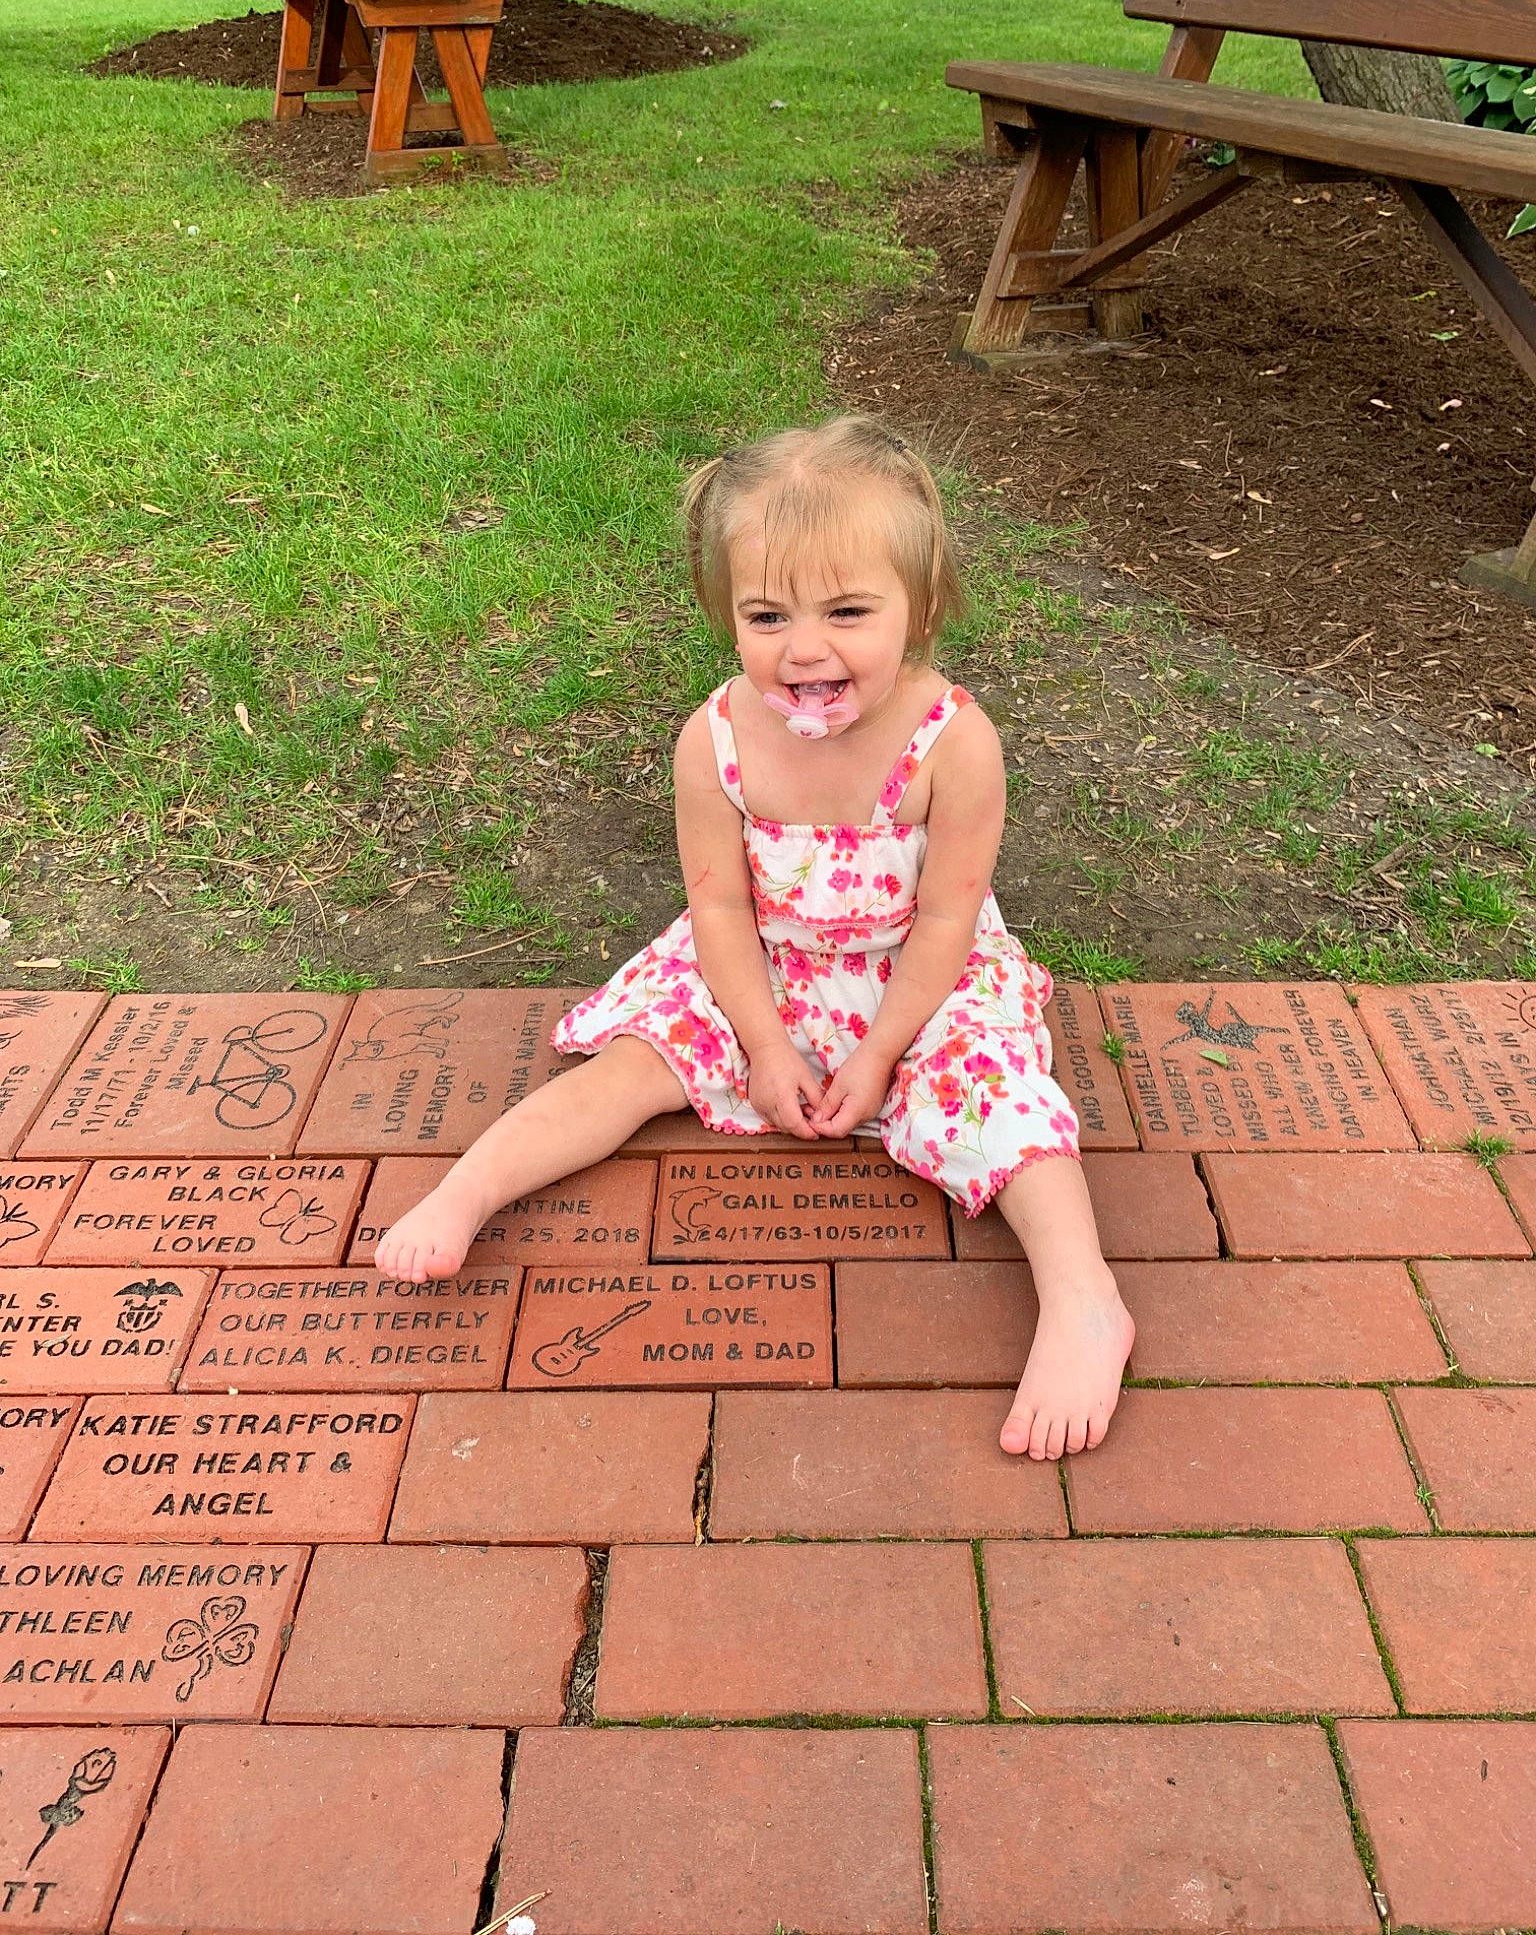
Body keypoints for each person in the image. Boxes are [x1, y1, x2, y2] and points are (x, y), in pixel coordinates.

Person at [374, 417, 1134, 1459]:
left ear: (920, 607)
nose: (805, 647)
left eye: (849, 610)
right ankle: (469, 1187)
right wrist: (766, 1042)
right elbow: (720, 909)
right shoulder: (717, 737)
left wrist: (877, 1054)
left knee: (1003, 1101)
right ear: (723, 609)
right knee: (634, 1066)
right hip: (760, 959)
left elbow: (951, 918)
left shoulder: (955, 742)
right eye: (766, 613)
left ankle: (1084, 1296)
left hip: (918, 971)